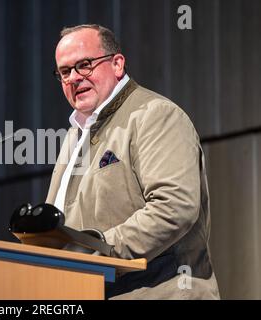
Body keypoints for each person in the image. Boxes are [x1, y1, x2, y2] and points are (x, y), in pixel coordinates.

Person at [45, 24, 220, 299]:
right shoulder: (73, 135)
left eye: (85, 65)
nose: (74, 78)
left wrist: (99, 250)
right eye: (65, 72)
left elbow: (174, 207)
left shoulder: (155, 115)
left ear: (117, 64)